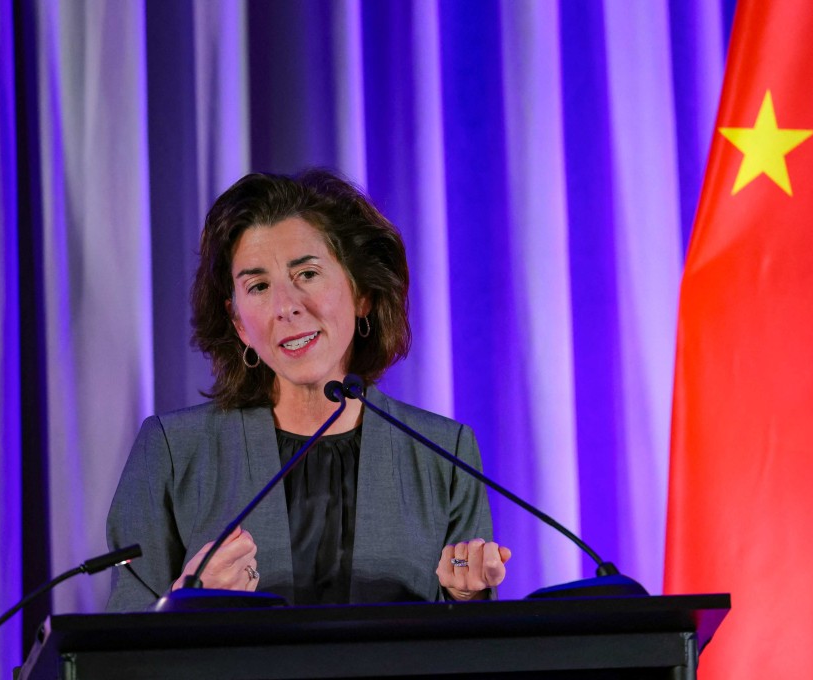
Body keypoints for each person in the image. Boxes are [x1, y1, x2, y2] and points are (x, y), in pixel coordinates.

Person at [106, 170, 510, 611]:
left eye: (308, 274)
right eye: (258, 286)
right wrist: (184, 601)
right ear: (239, 323)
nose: (286, 306)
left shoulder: (443, 454)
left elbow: (469, 653)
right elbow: (121, 650)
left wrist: (465, 595)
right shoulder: (171, 452)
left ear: (362, 296)